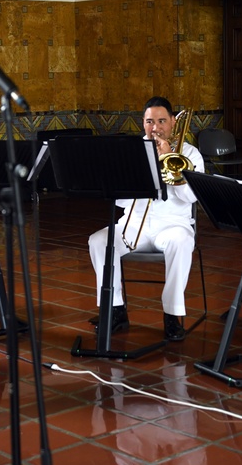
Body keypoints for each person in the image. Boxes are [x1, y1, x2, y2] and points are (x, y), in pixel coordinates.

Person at [87, 97, 205, 341]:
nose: (156, 127)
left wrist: (171, 161)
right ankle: (115, 309)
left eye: (162, 121)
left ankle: (172, 315)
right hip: (133, 225)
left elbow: (192, 196)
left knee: (180, 242)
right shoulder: (131, 150)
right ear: (143, 123)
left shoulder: (190, 152)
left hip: (172, 225)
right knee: (98, 241)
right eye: (150, 121)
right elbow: (119, 201)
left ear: (173, 122)